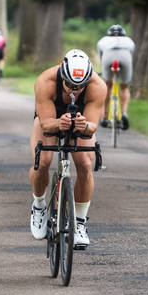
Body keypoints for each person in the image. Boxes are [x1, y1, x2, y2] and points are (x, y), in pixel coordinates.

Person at [29, 49, 107, 249]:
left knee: (85, 164)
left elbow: (92, 126)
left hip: (79, 122)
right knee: (42, 163)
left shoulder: (97, 86)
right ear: (62, 76)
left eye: (80, 87)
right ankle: (39, 205)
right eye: (70, 85)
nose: (74, 90)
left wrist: (84, 126)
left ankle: (79, 222)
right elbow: (46, 124)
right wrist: (59, 124)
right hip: (51, 119)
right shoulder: (45, 81)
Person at [96, 24, 136, 130]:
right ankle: (124, 113)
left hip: (107, 57)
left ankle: (104, 116)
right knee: (124, 87)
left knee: (107, 85)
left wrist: (104, 71)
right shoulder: (128, 40)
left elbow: (101, 56)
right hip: (125, 57)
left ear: (109, 34)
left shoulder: (103, 40)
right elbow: (131, 55)